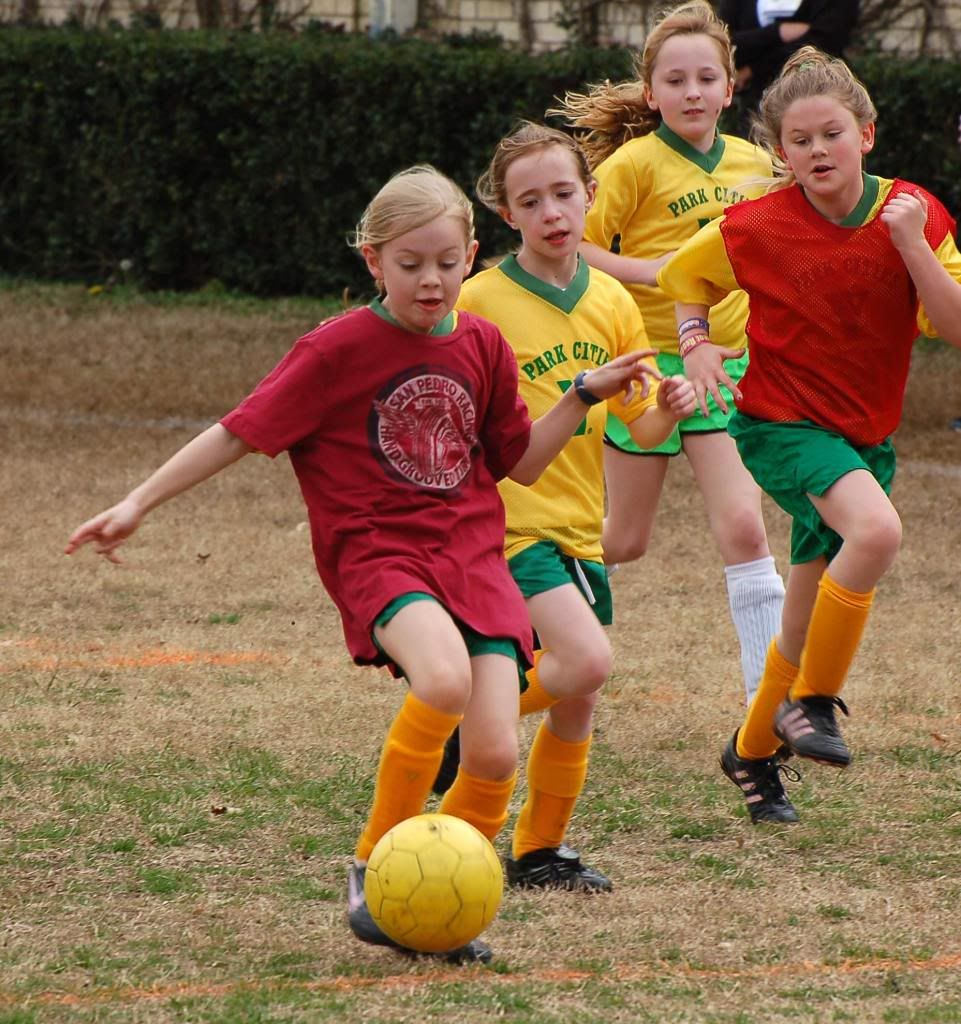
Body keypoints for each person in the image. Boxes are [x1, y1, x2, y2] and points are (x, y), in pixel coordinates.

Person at [63, 165, 657, 962]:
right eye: (409, 264)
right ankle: (374, 868)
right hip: (379, 550)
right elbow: (240, 430)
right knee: (441, 680)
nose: (431, 280)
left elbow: (518, 464)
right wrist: (138, 501)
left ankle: (445, 899)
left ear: (471, 254)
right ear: (373, 262)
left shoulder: (482, 344)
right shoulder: (336, 348)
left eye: (447, 263)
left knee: (492, 752)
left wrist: (581, 395)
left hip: (473, 555)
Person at [656, 47, 961, 824]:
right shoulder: (752, 227)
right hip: (778, 424)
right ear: (780, 153)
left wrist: (911, 247)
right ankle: (814, 705)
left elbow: (952, 326)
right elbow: (680, 280)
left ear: (865, 133)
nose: (817, 150)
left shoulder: (915, 213)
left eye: (831, 133)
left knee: (797, 626)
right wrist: (694, 340)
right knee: (877, 532)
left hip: (864, 438)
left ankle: (751, 754)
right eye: (799, 140)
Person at [439, 122, 695, 892]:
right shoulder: (478, 301)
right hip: (504, 528)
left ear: (589, 196)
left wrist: (671, 410)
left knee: (577, 696)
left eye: (562, 193)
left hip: (578, 528)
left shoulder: (613, 301)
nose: (551, 211)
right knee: (584, 662)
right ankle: (463, 730)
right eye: (530, 200)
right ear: (505, 214)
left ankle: (539, 849)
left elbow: (636, 425)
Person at [552, 0, 785, 708]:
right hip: (645, 368)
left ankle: (767, 709)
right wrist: (656, 272)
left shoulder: (759, 165)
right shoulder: (632, 165)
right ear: (650, 94)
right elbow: (576, 243)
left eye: (705, 78)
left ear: (730, 85)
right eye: (675, 81)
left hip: (723, 364)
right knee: (621, 541)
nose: (691, 93)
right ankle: (535, 609)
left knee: (744, 525)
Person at [718, 0, 860, 137]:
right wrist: (778, 32)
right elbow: (723, 40)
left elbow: (825, 43)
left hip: (820, 93)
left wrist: (753, 68)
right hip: (755, 108)